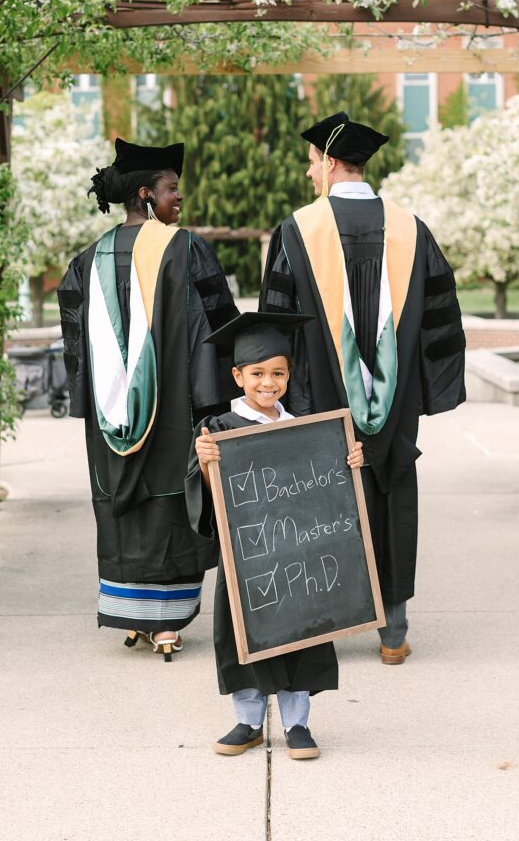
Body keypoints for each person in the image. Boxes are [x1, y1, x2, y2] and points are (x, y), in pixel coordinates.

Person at [259, 112, 466, 665]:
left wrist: (279, 398)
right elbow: (439, 322)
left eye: (312, 162)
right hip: (396, 408)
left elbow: (278, 327)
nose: (309, 173)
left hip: (319, 402)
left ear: (330, 162)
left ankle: (322, 627)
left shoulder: (297, 231)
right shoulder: (412, 229)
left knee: (321, 501)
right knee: (390, 493)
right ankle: (393, 632)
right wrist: (422, 391)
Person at [57, 137, 238, 660]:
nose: (179, 197)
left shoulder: (88, 260)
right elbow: (217, 329)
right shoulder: (186, 249)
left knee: (123, 506)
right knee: (172, 502)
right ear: (145, 195)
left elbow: (76, 347)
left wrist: (99, 401)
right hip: (177, 409)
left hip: (109, 417)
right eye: (171, 188)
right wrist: (214, 402)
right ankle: (165, 624)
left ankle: (133, 617)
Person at [184, 312, 365, 759]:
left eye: (278, 373)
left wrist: (348, 460)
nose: (268, 383)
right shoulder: (219, 431)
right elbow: (207, 500)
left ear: (289, 376)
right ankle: (248, 722)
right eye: (258, 373)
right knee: (244, 635)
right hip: (247, 560)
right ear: (238, 376)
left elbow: (331, 490)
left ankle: (297, 723)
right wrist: (204, 463)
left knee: (301, 633)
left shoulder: (306, 429)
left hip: (301, 555)